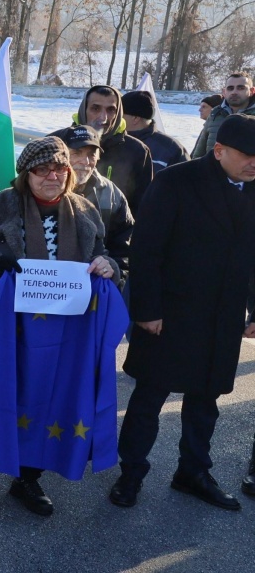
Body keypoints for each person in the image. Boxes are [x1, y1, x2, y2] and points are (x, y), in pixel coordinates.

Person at [0, 136, 120, 516]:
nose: (52, 176)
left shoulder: (85, 211)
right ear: (25, 175)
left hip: (64, 336)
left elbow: (102, 257)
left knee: (49, 402)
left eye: (59, 168)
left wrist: (111, 267)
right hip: (4, 334)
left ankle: (28, 478)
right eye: (41, 169)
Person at [109, 115, 255, 511]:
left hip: (221, 316)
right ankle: (131, 474)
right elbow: (147, 249)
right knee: (149, 399)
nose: (254, 163)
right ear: (219, 150)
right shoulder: (176, 181)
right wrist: (147, 310)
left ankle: (192, 472)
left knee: (205, 400)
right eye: (247, 155)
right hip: (169, 314)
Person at [51, 125, 134, 273]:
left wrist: (112, 270)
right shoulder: (41, 187)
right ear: (61, 155)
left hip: (92, 288)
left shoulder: (112, 194)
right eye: (77, 152)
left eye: (92, 154)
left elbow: (124, 250)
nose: (85, 161)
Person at [74, 85, 154, 213]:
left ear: (118, 113)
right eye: (95, 108)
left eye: (111, 110)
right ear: (84, 109)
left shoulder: (137, 151)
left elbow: (142, 206)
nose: (103, 117)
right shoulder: (60, 143)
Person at [121, 89, 187, 172]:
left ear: (135, 118)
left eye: (120, 114)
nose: (115, 118)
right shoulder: (112, 140)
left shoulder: (171, 149)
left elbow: (187, 181)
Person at [192, 72, 254, 158]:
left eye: (240, 88)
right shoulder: (215, 115)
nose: (234, 92)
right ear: (224, 92)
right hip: (212, 170)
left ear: (252, 91)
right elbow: (198, 153)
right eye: (230, 88)